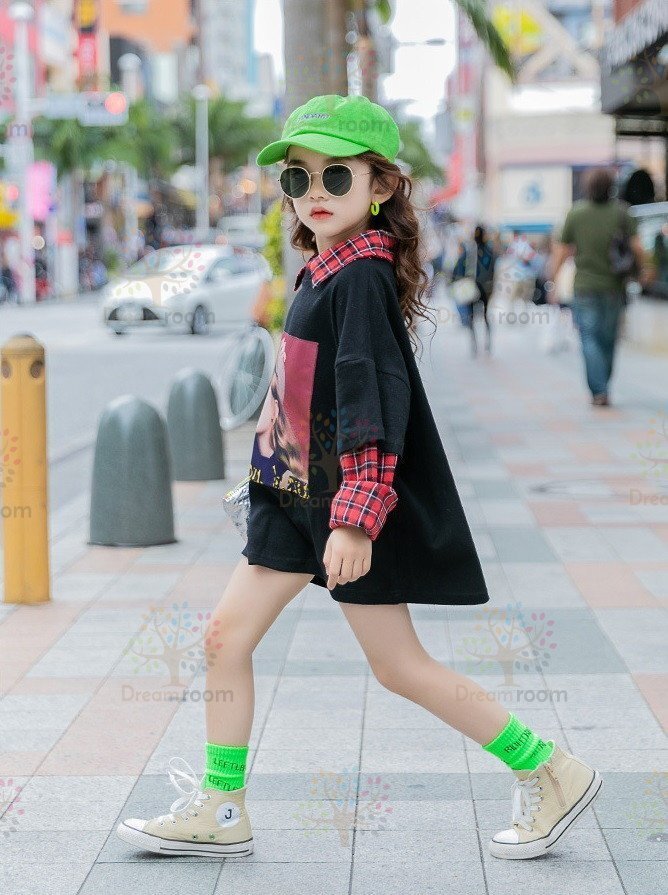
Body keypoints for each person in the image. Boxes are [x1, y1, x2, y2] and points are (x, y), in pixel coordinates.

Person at [117, 93, 602, 862]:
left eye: (335, 176)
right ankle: (221, 804)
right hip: (290, 498)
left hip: (337, 504)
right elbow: (304, 394)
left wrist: (355, 516)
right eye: (298, 177)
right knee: (224, 637)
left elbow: (372, 398)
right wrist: (265, 483)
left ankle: (548, 766)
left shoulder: (360, 277)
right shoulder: (323, 270)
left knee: (398, 666)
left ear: (378, 185)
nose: (314, 191)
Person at [548, 167, 647, 407]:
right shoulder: (622, 212)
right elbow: (637, 248)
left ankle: (599, 390)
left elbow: (561, 252)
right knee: (609, 339)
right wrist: (645, 271)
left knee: (589, 338)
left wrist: (553, 282)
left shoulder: (576, 213)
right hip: (615, 286)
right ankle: (603, 385)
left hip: (584, 287)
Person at [452, 224, 496, 355]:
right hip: (484, 288)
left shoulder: (469, 251)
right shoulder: (489, 251)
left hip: (472, 288)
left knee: (472, 317)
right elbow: (492, 270)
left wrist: (458, 280)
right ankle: (486, 345)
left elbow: (458, 269)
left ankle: (475, 345)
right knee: (485, 317)